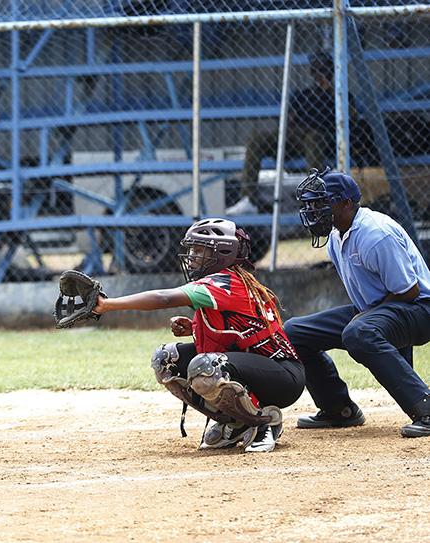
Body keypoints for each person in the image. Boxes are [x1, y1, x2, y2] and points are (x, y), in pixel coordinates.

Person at [92, 218, 305, 452]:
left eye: (200, 250)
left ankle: (264, 422)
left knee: (206, 365)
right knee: (166, 359)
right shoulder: (222, 280)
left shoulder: (225, 282)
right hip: (256, 366)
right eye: (192, 249)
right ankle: (236, 422)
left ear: (223, 253)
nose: (192, 256)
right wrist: (194, 328)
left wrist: (107, 305)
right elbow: (237, 334)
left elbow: (164, 298)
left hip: (282, 376)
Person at [284, 168, 430, 437]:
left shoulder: (376, 234)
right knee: (293, 331)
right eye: (312, 204)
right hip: (379, 309)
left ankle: (427, 409)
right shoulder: (336, 236)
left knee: (358, 332)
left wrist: (368, 320)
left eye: (321, 203)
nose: (314, 211)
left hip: (420, 308)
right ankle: (338, 409)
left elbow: (409, 291)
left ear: (346, 203)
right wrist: (369, 317)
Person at [228, 51, 357, 215]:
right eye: (316, 71)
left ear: (331, 72)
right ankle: (248, 199)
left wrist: (330, 91)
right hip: (296, 137)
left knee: (313, 138)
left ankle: (314, 199)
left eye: (323, 70)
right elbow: (289, 119)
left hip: (323, 139)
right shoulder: (303, 95)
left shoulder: (341, 96)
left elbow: (350, 120)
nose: (320, 75)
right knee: (257, 139)